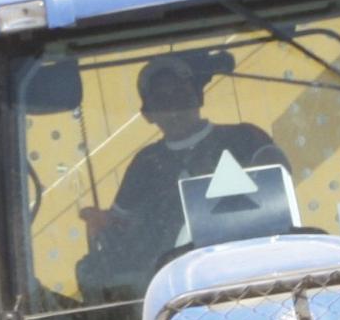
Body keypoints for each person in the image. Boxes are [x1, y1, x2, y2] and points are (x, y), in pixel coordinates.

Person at [78, 52, 290, 297]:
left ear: (198, 98)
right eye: (161, 100)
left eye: (180, 95)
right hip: (173, 292)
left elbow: (280, 184)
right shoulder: (145, 163)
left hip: (258, 276)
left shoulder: (245, 138)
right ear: (148, 113)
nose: (173, 108)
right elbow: (122, 226)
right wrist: (100, 221)